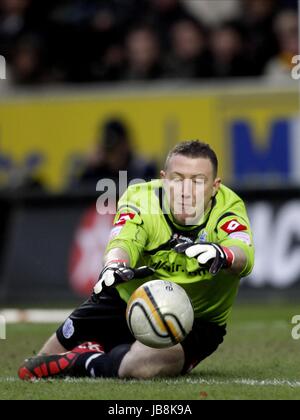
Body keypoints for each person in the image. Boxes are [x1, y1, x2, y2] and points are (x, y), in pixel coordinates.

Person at [19, 140, 255, 381]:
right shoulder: (141, 198)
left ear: (215, 186)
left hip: (197, 321)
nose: (186, 190)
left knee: (141, 366)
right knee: (34, 368)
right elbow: (123, 242)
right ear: (164, 180)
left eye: (197, 181)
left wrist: (224, 254)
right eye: (177, 179)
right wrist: (114, 264)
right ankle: (102, 354)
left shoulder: (229, 207)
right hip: (126, 299)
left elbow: (243, 255)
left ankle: (85, 359)